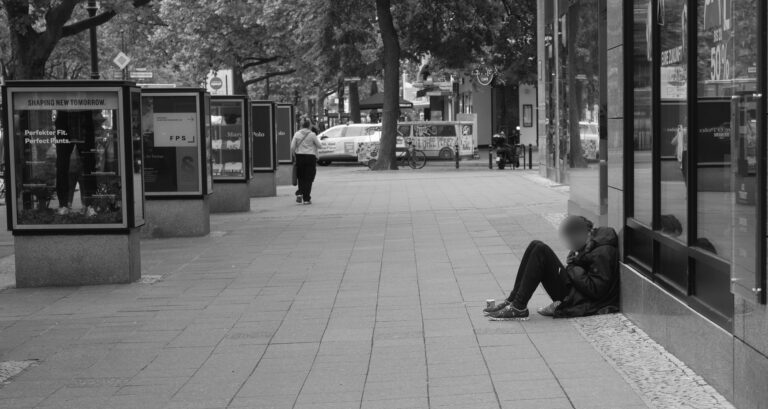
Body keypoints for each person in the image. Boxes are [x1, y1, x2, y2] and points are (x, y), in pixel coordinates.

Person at [484, 216, 620, 320]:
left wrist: (572, 266)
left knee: (541, 250)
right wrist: (575, 262)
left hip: (576, 298)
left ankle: (519, 307)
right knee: (535, 245)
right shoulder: (588, 244)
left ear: (588, 233)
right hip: (575, 290)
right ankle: (512, 300)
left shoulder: (603, 252)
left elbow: (596, 290)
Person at [291, 119, 322, 205]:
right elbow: (319, 146)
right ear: (309, 125)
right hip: (310, 158)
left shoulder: (297, 134)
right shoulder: (312, 134)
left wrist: (294, 155)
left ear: (301, 125)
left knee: (301, 177)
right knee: (308, 178)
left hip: (300, 157)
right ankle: (306, 199)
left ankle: (300, 192)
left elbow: (292, 147)